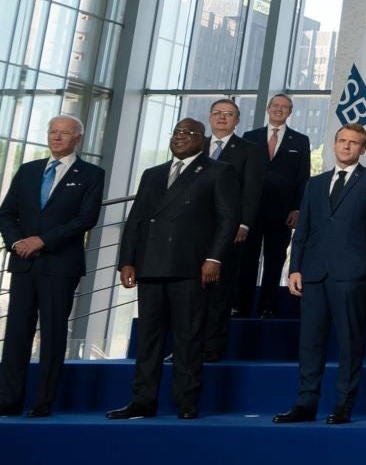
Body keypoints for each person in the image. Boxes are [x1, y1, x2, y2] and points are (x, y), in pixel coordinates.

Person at [108, 118, 238, 420]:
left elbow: (227, 219)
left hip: (190, 266)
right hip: (151, 265)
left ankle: (186, 400)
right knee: (149, 338)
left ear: (201, 140)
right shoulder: (152, 174)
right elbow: (137, 219)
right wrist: (127, 260)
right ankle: (142, 400)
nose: (180, 138)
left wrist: (214, 259)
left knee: (188, 337)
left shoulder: (218, 171)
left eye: (188, 133)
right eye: (177, 133)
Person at [274, 124, 366, 425]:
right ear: (334, 145)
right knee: (310, 342)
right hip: (314, 274)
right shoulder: (314, 184)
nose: (346, 146)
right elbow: (302, 231)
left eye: (354, 143)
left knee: (350, 341)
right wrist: (295, 269)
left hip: (351, 273)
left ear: (362, 149)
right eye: (342, 141)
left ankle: (344, 404)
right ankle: (305, 403)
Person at [0, 115, 104, 416]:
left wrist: (43, 241)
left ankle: (43, 401)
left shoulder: (92, 174)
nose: (57, 138)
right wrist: (18, 242)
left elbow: (86, 219)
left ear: (78, 139)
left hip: (60, 265)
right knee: (17, 334)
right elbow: (6, 213)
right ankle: (8, 399)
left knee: (53, 334)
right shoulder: (29, 170)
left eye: (64, 133)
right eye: (53, 132)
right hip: (23, 263)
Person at [201, 98, 263, 362]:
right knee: (191, 292)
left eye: (228, 114)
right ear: (210, 117)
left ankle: (212, 346)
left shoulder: (249, 150)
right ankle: (187, 346)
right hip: (194, 230)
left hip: (228, 229)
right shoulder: (197, 145)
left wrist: (244, 223)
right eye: (217, 113)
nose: (222, 118)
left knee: (219, 290)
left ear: (237, 120)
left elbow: (252, 190)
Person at [241, 93, 309, 317]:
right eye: (276, 105)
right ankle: (242, 305)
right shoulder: (250, 137)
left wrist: (298, 208)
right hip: (250, 212)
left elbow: (303, 178)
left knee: (275, 259)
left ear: (290, 112)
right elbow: (240, 175)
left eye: (285, 107)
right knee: (247, 259)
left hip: (282, 212)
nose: (279, 109)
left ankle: (268, 306)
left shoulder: (300, 141)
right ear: (268, 108)